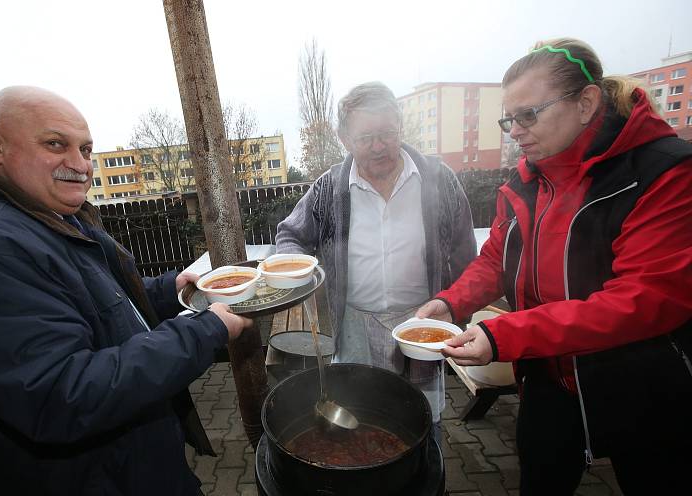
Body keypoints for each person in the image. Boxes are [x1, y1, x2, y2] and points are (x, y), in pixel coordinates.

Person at [0, 86, 252, 496]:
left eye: (86, 150)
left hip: (133, 468)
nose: (80, 165)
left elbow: (91, 304)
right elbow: (63, 394)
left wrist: (167, 291)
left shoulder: (45, 218)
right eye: (56, 144)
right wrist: (204, 330)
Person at [417, 38, 692, 494]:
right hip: (547, 374)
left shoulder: (661, 173)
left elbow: (645, 298)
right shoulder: (527, 180)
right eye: (510, 119)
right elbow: (495, 259)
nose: (516, 131)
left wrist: (506, 335)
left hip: (641, 381)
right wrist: (450, 303)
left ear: (586, 103)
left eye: (530, 114)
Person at [276, 81, 477, 442]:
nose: (379, 146)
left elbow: (465, 254)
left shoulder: (439, 180)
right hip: (354, 326)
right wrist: (297, 268)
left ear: (401, 126)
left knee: (422, 422)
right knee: (361, 422)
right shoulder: (330, 188)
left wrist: (456, 314)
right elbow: (290, 235)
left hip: (421, 325)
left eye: (387, 133)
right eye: (366, 137)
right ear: (345, 138)